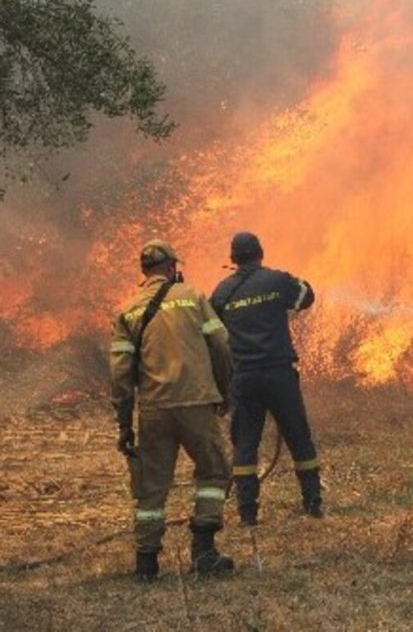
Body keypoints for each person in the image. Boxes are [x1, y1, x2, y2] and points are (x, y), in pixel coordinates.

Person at [109, 239, 235, 581]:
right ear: (170, 269)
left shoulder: (128, 311)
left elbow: (120, 374)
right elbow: (221, 344)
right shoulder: (193, 297)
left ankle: (146, 565)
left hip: (154, 409)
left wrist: (124, 423)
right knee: (213, 472)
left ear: (144, 272)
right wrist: (225, 391)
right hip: (196, 402)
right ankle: (204, 552)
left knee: (151, 487)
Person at [211, 231, 323, 525]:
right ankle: (313, 504)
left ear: (233, 259)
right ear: (261, 253)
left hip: (244, 378)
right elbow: (305, 297)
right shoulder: (276, 281)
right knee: (299, 436)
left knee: (245, 443)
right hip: (279, 374)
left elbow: (213, 336)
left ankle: (247, 512)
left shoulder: (222, 292)